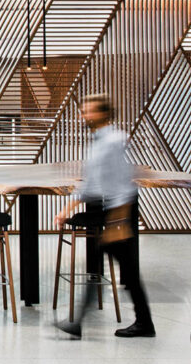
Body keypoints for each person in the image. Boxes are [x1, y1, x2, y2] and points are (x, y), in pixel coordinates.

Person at [54, 93, 155, 339]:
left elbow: (122, 184)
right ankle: (79, 322)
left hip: (119, 212)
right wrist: (67, 210)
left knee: (125, 272)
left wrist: (118, 222)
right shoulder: (99, 141)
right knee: (111, 268)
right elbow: (91, 183)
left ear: (103, 113)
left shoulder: (112, 141)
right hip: (109, 211)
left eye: (88, 110)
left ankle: (142, 324)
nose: (83, 115)